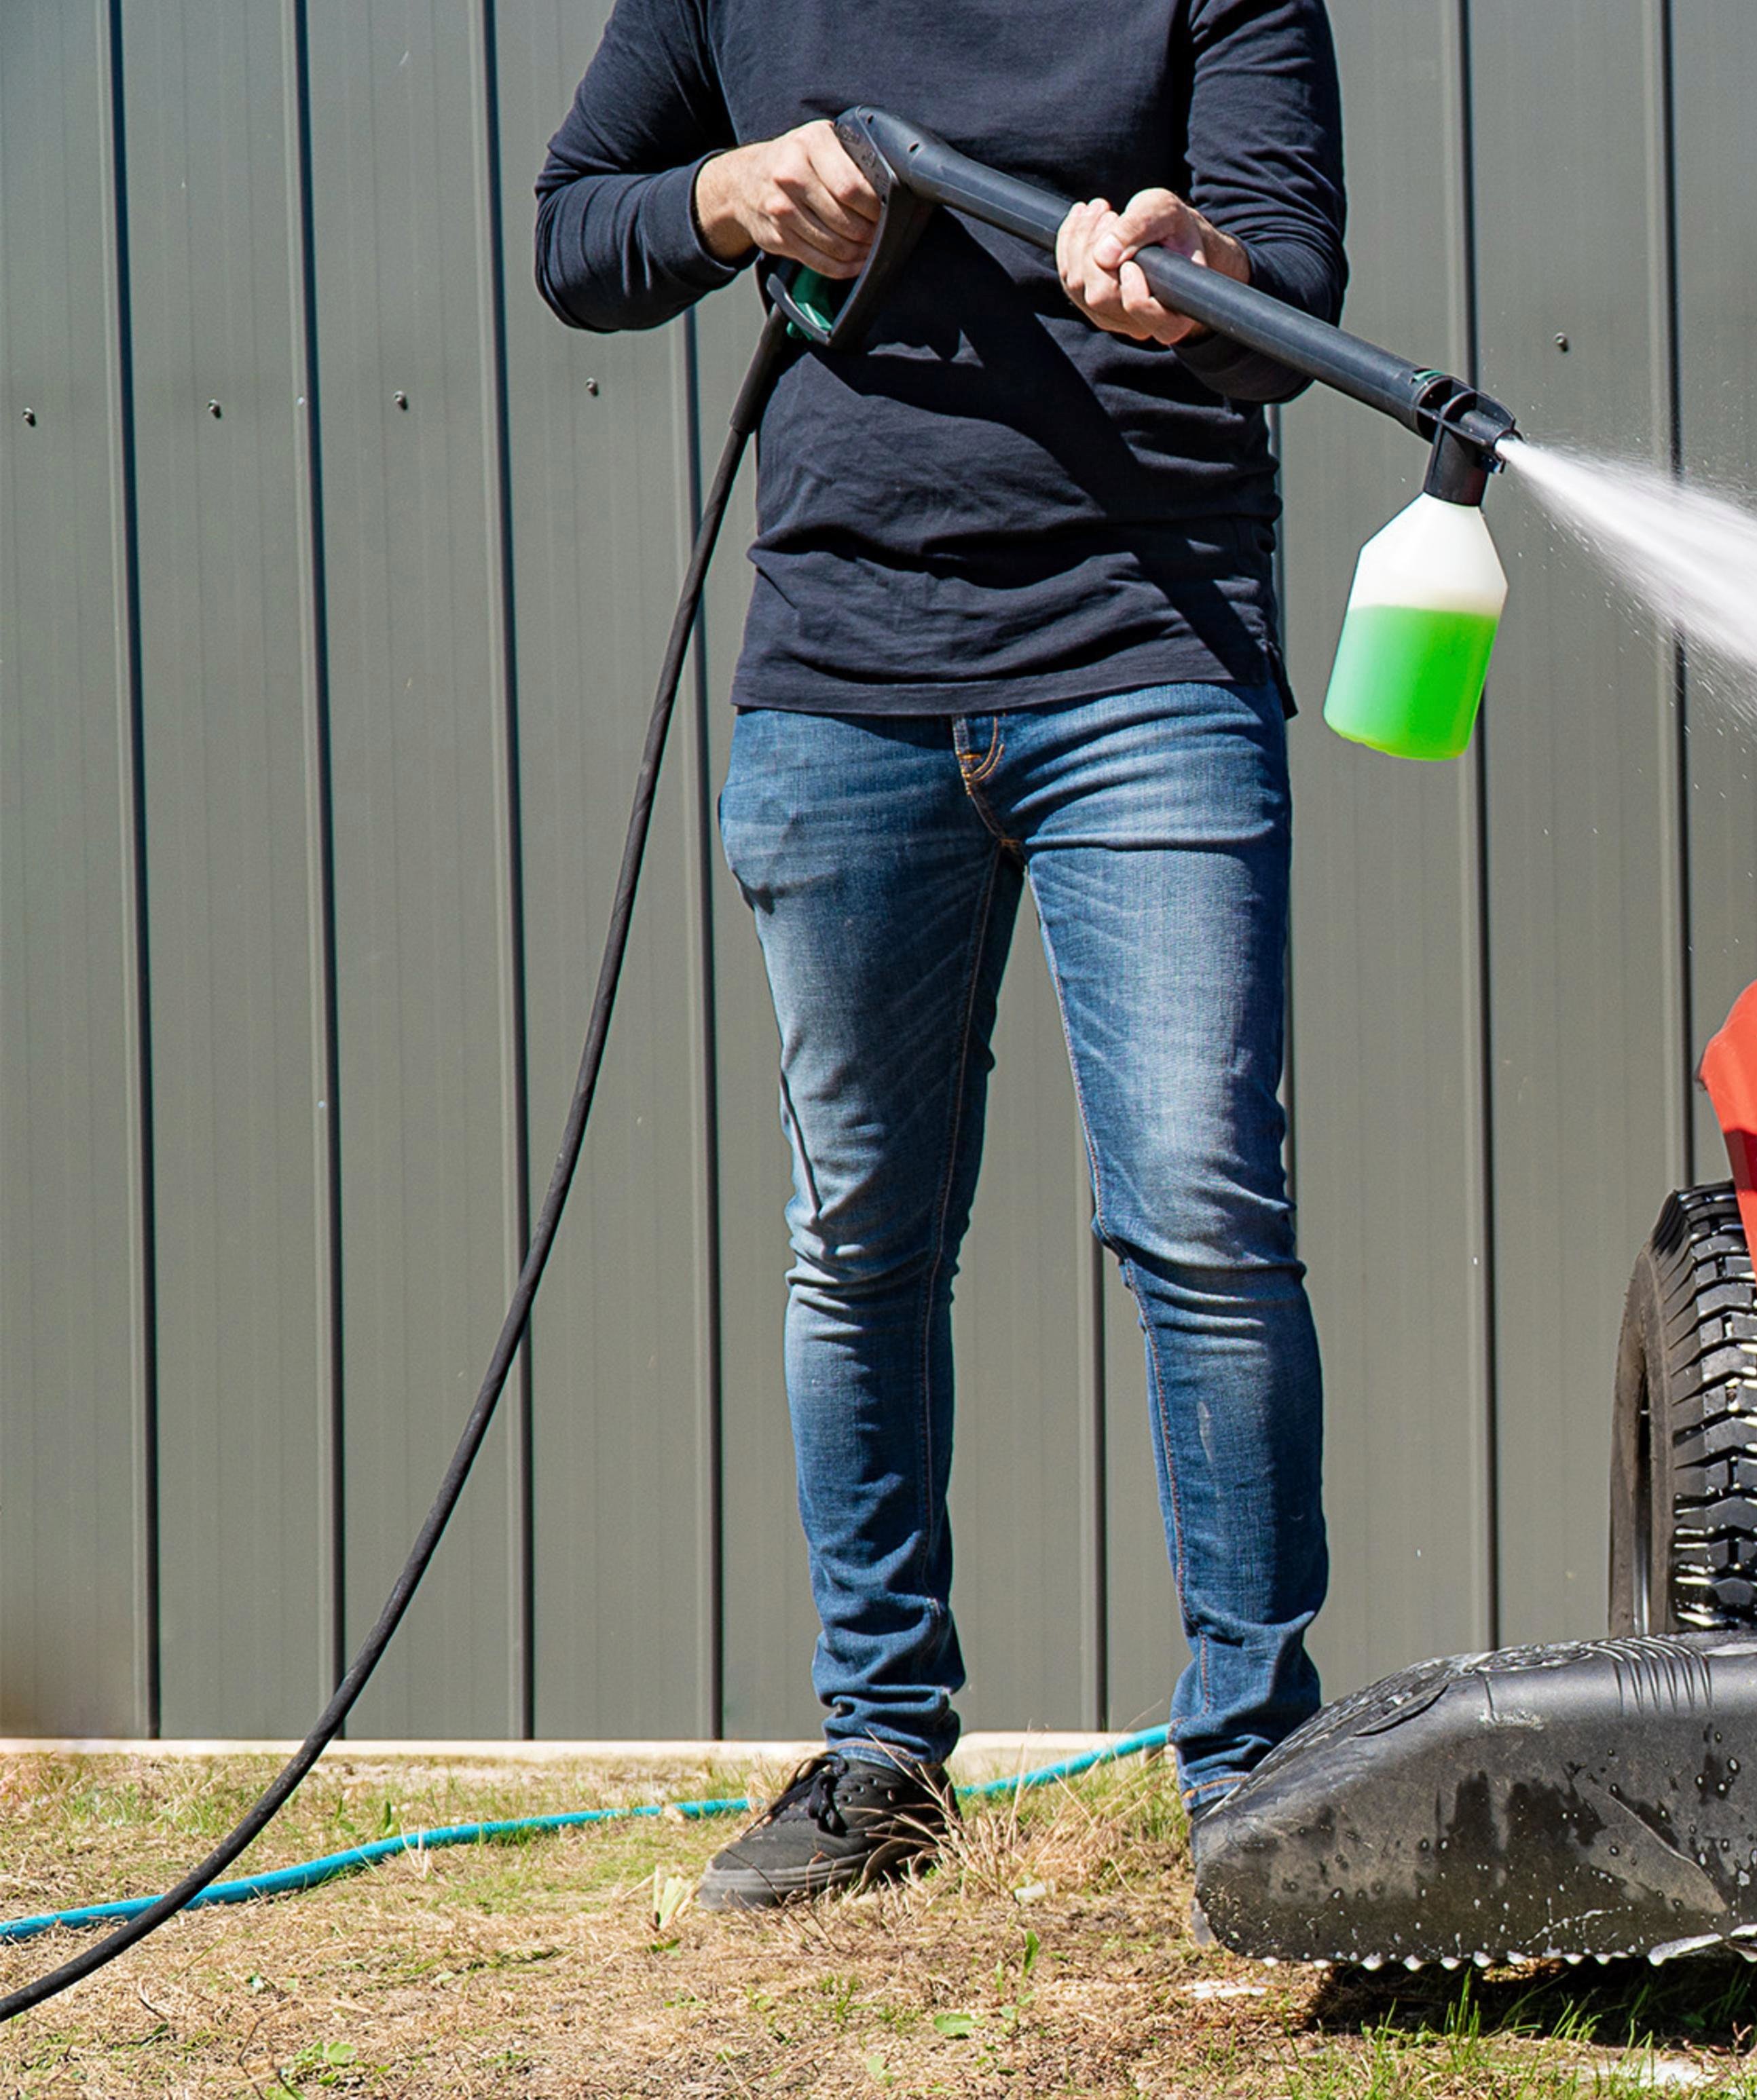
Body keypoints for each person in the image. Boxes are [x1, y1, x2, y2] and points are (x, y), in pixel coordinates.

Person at [532, 0, 1346, 1909]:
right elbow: (579, 234)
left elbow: (1287, 281)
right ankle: (882, 1755)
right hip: (840, 676)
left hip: (1147, 652)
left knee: (1205, 1214)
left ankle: (1258, 1767)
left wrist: (1195, 272)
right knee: (863, 1237)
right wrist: (733, 193)